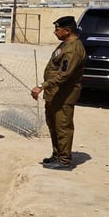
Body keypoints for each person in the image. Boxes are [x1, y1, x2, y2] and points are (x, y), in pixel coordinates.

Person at [31, 16, 87, 169]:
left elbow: (65, 74)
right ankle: (57, 154)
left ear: (67, 31)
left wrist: (42, 85)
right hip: (55, 94)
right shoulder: (65, 45)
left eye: (57, 29)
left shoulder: (73, 49)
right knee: (53, 125)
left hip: (64, 95)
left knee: (62, 127)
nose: (55, 32)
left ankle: (64, 159)